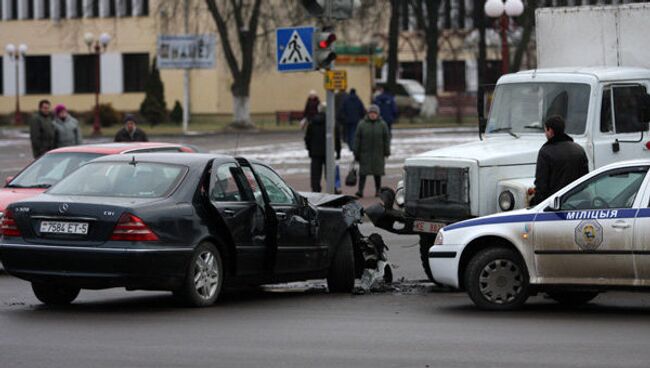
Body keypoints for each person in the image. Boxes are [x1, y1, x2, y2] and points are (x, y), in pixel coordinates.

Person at [530, 115, 589, 205]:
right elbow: (585, 179)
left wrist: (536, 205)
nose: (545, 134)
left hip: (555, 204)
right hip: (577, 203)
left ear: (550, 130)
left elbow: (542, 185)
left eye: (546, 130)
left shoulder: (546, 152)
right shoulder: (579, 149)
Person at [353, 104, 390, 198]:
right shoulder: (362, 124)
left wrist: (387, 151)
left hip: (378, 153)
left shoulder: (382, 124)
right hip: (365, 153)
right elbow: (357, 139)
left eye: (374, 113)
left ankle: (378, 190)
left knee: (378, 174)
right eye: (371, 113)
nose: (373, 115)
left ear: (378, 114)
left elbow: (386, 139)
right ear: (368, 113)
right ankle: (360, 191)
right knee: (362, 173)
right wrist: (356, 151)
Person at [304, 103, 341, 193]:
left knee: (315, 174)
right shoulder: (332, 122)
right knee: (329, 173)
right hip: (329, 152)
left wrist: (310, 149)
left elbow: (307, 138)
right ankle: (333, 189)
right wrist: (338, 151)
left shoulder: (312, 122)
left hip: (315, 152)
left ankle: (316, 189)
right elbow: (337, 138)